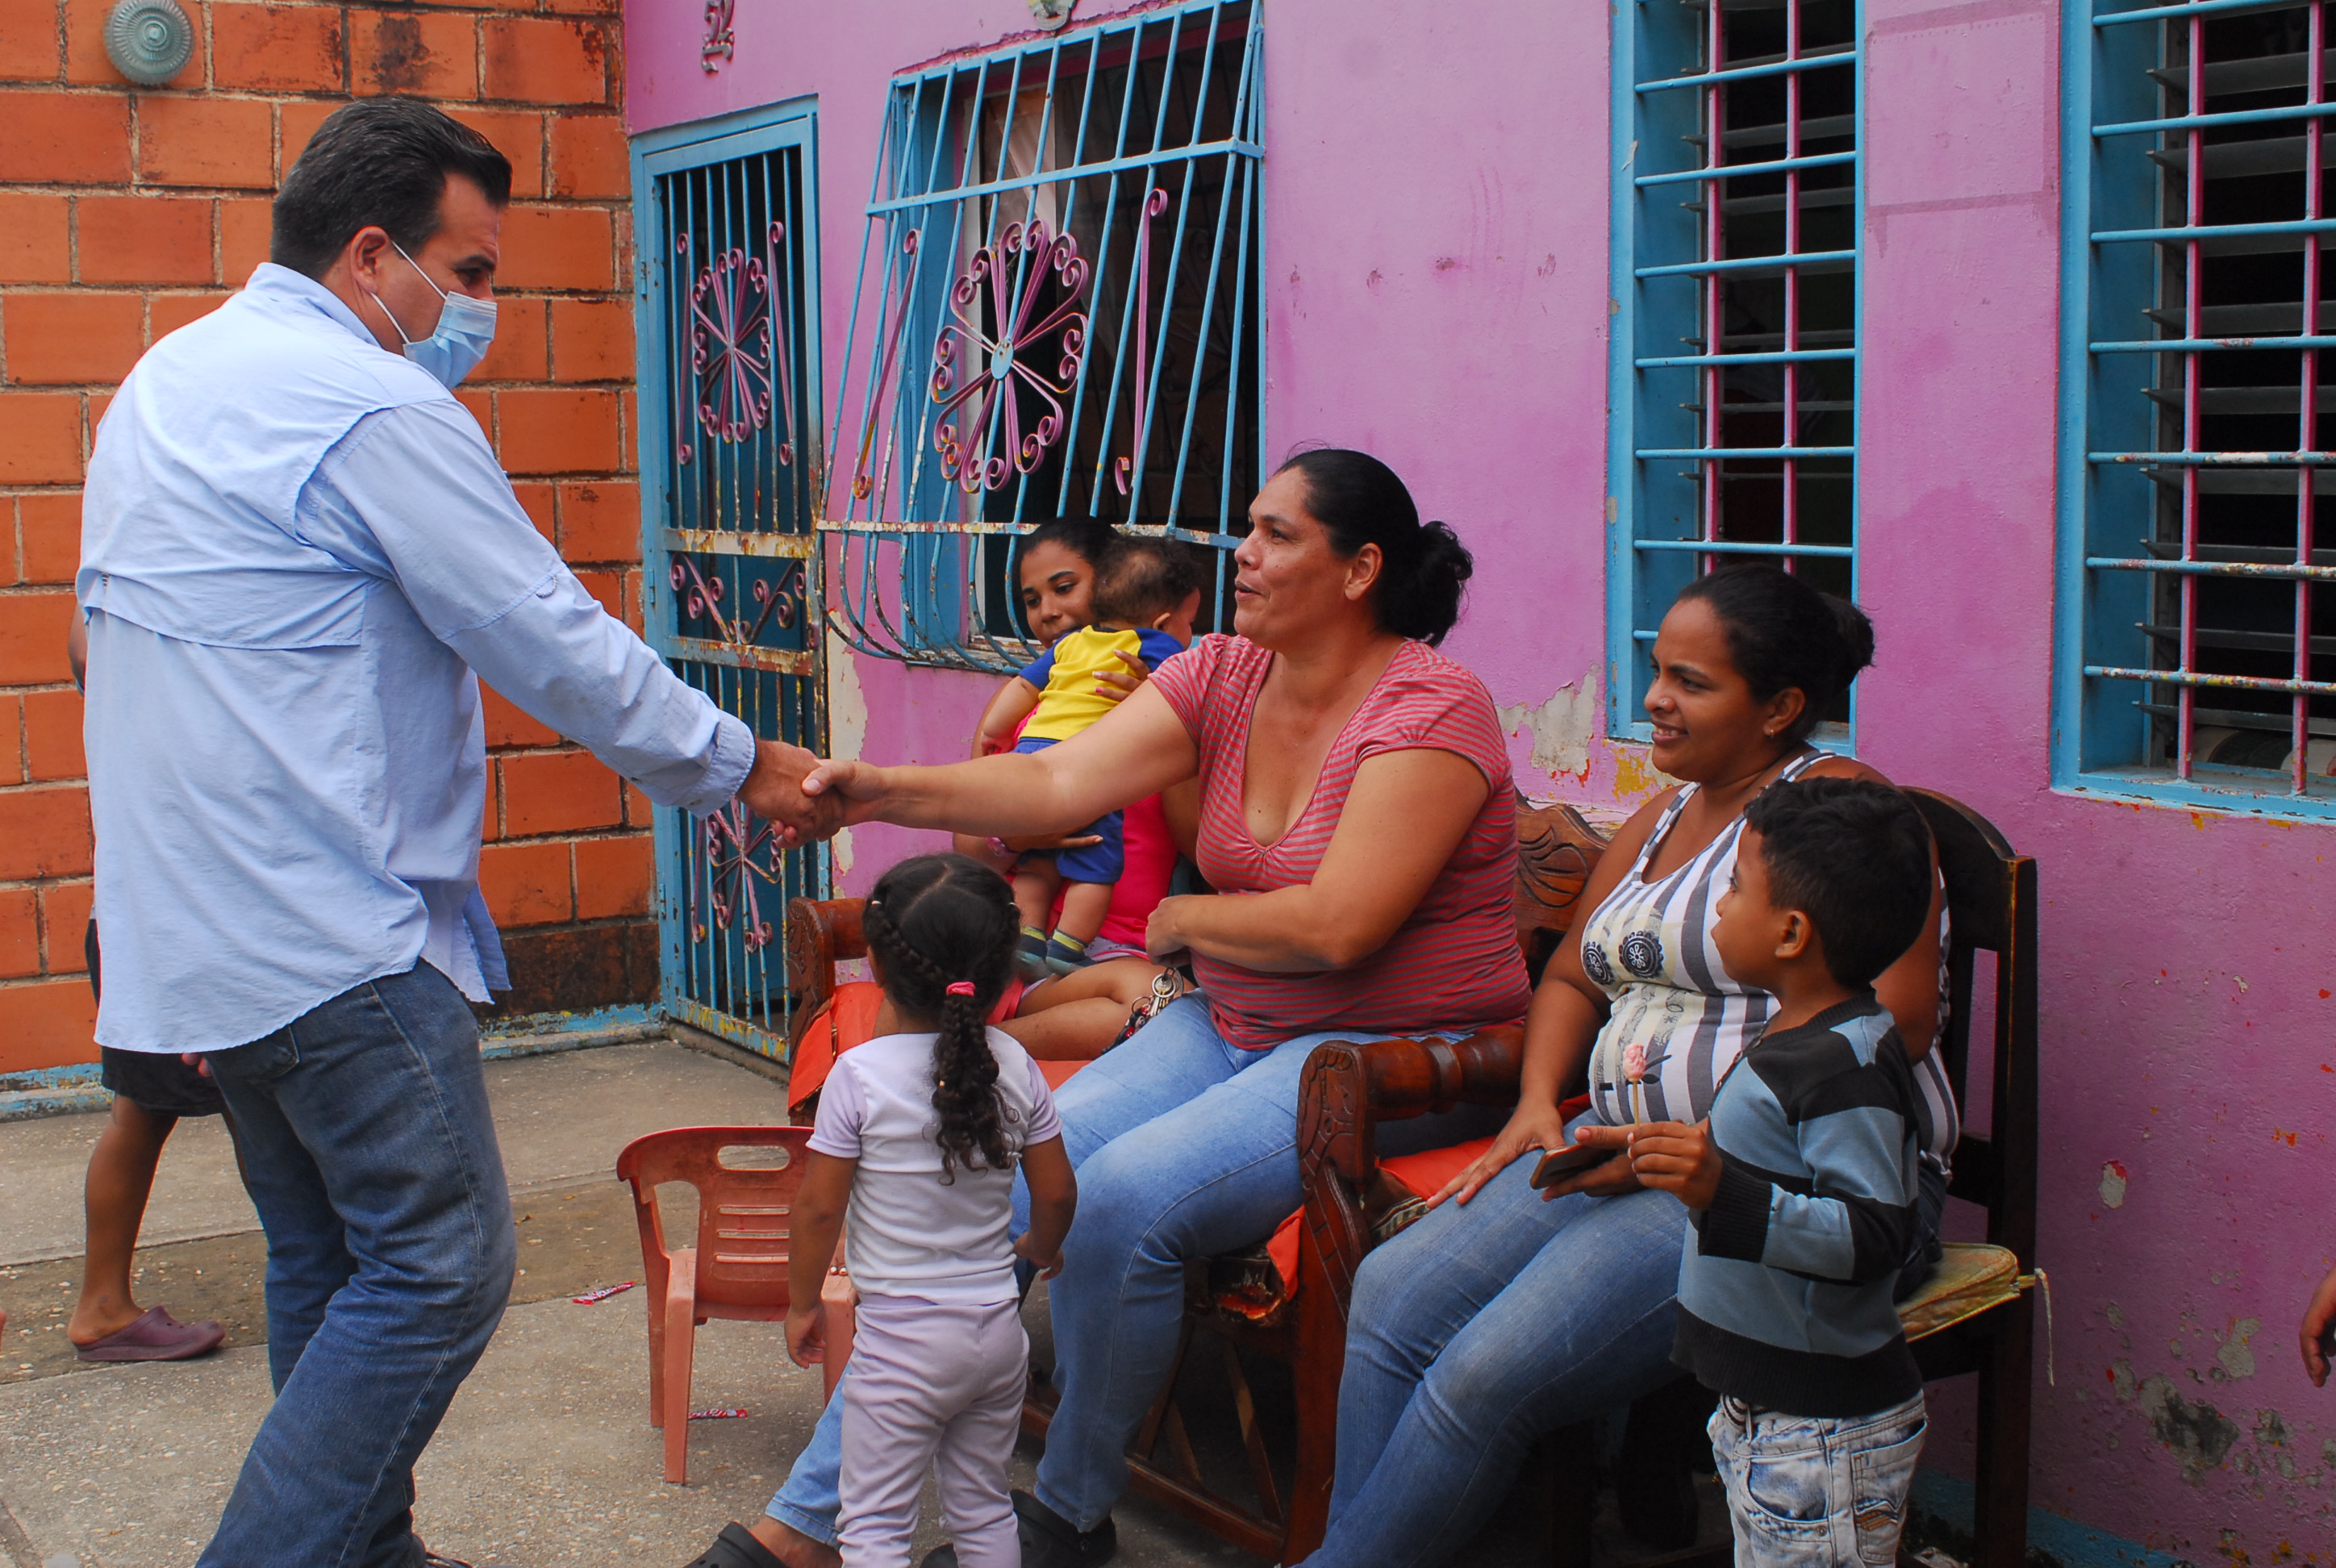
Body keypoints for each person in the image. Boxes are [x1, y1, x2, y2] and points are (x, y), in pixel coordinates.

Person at [78, 97, 820, 1568]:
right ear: (372, 257)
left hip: (195, 929)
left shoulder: (166, 378)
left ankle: (366, 1546)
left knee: (334, 1258)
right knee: (442, 1268)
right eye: (470, 275)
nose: (482, 310)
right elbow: (541, 632)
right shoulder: (369, 404)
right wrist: (743, 763)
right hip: (326, 933)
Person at [684, 448, 1523, 1568]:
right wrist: (876, 789)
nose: (1246, 554)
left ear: (1362, 567)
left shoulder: (1432, 705)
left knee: (1118, 1199)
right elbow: (1054, 783)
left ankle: (1069, 1516)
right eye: (1250, 526)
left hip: (1382, 1055)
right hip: (1231, 1027)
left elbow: (1341, 926)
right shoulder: (1224, 674)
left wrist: (1184, 924)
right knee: (1005, 1166)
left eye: (1278, 535)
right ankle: (810, 1519)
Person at [1295, 567, 1962, 1568]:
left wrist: (1693, 1145)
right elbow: (1571, 973)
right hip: (1616, 1150)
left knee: (1484, 1374)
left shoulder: (1834, 809)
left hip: (1771, 1183)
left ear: (1779, 707)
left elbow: (1894, 1021)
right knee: (1389, 1294)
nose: (1655, 699)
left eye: (1691, 682)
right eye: (1658, 671)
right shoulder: (1663, 816)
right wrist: (1532, 1105)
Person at [1615, 777, 1934, 1565]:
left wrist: (1719, 1188)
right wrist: (1651, 1155)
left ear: (1790, 932)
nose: (1717, 907)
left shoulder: (1840, 1066)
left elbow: (1873, 1233)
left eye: (1733, 889)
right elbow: (1769, 1154)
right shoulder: (1800, 1037)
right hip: (1768, 1410)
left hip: (1818, 1430)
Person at [778, 855, 1078, 1568]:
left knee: (874, 1526)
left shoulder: (857, 1076)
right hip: (999, 1340)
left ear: (878, 969)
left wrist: (799, 1303)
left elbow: (819, 1211)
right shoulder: (1015, 1063)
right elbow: (1060, 1191)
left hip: (901, 1351)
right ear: (1006, 969)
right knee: (982, 1509)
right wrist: (1039, 1244)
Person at [60, 619, 236, 1363]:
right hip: (180, 921)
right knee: (263, 1112)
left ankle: (103, 1304)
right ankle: (328, 1292)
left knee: (140, 1114)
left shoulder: (105, 600)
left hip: (137, 920)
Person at [990, 543, 1199, 977]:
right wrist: (1019, 837)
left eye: (1065, 587)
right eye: (1031, 600)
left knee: (1141, 990)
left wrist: (1166, 714)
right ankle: (1057, 951)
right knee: (1091, 872)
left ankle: (1033, 952)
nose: (1048, 611)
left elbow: (1195, 841)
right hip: (1033, 928)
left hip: (1124, 944)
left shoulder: (1088, 665)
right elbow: (970, 841)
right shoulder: (1036, 707)